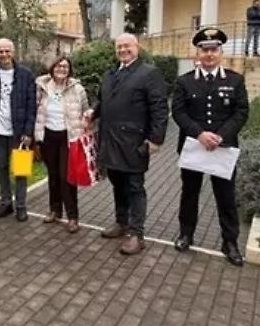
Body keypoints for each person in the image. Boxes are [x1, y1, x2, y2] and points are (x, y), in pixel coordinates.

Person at [83, 33, 168, 255]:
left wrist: (156, 139)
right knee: (117, 184)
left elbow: (159, 108)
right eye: (119, 47)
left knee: (134, 188)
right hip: (109, 140)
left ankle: (137, 234)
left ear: (136, 47)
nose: (123, 50)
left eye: (127, 46)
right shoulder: (110, 74)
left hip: (133, 142)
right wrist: (93, 111)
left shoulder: (149, 73)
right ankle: (121, 223)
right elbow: (104, 99)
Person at [172, 27, 251, 266]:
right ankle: (186, 233)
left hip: (223, 148)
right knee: (189, 193)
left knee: (225, 196)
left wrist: (219, 135)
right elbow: (178, 111)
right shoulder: (184, 82)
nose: (209, 54)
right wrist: (199, 134)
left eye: (213, 49)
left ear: (220, 52)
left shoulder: (235, 80)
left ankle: (230, 242)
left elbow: (241, 111)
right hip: (194, 147)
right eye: (204, 50)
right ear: (198, 52)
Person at [33, 56, 90, 233]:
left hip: (68, 138)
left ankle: (73, 216)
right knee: (53, 175)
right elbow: (36, 109)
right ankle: (55, 210)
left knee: (67, 178)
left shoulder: (77, 89)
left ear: (69, 70)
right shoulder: (42, 87)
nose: (61, 69)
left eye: (65, 67)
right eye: (58, 66)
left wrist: (86, 124)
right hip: (48, 136)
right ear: (52, 68)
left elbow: (86, 111)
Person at [0, 38, 36, 222]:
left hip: (19, 132)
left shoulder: (25, 74)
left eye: (7, 51)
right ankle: (6, 203)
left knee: (21, 170)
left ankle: (21, 206)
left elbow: (32, 105)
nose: (4, 55)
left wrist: (28, 131)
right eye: (0, 52)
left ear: (13, 52)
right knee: (2, 168)